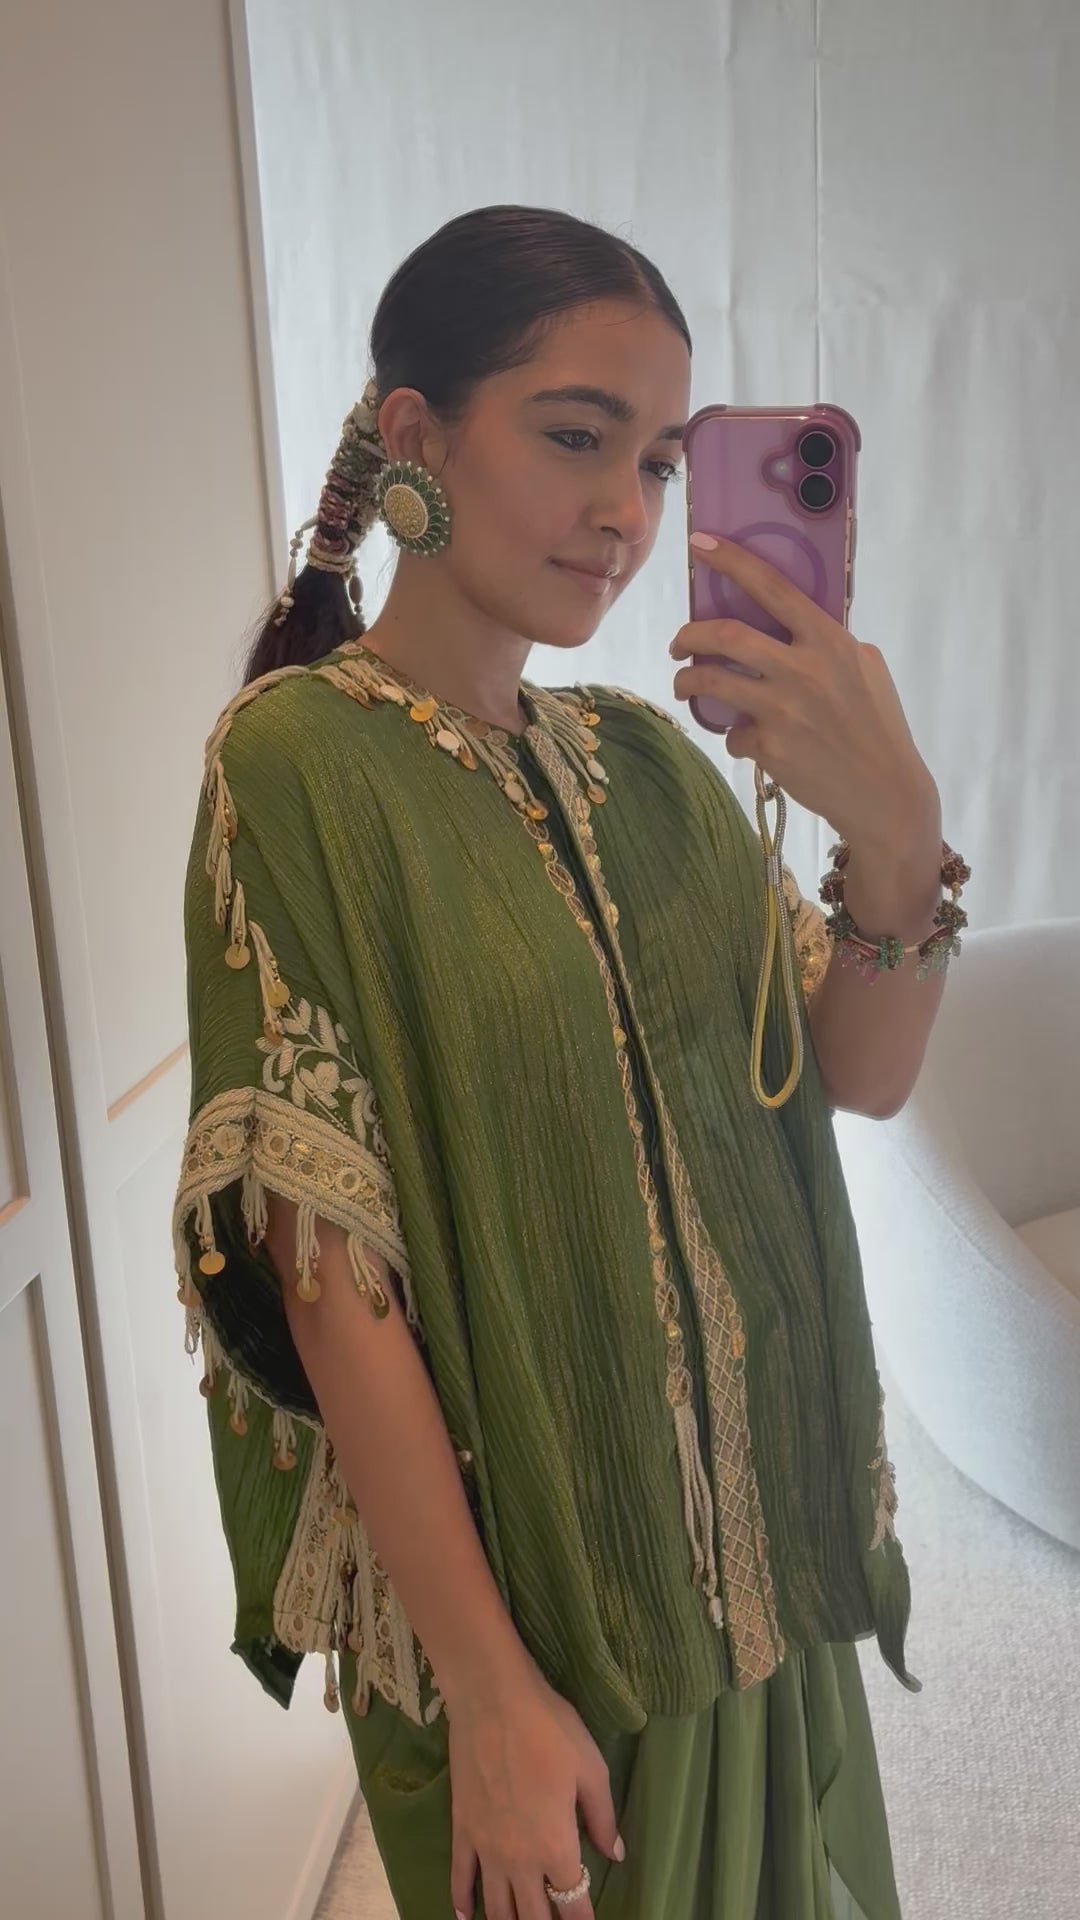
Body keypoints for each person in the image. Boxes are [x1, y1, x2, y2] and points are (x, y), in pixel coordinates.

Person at [173, 204, 969, 1920]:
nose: (628, 510)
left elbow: (858, 1069)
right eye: (575, 436)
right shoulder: (300, 761)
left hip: (752, 1565)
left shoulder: (652, 763)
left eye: (663, 461)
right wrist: (489, 1693)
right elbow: (331, 1271)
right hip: (539, 1604)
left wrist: (898, 839)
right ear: (415, 434)